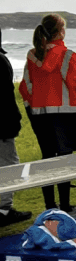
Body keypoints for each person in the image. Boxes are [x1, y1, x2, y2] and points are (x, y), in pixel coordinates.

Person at [18, 13, 76, 212]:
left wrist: (32, 113)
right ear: (61, 32)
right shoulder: (67, 56)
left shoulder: (32, 56)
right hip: (67, 117)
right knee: (65, 161)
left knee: (47, 160)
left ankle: (50, 206)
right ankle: (66, 206)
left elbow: (25, 88)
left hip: (41, 116)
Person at [0, 29, 33, 226]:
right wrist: (13, 121)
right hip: (2, 125)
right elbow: (5, 97)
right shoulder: (1, 62)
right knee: (9, 164)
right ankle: (4, 210)